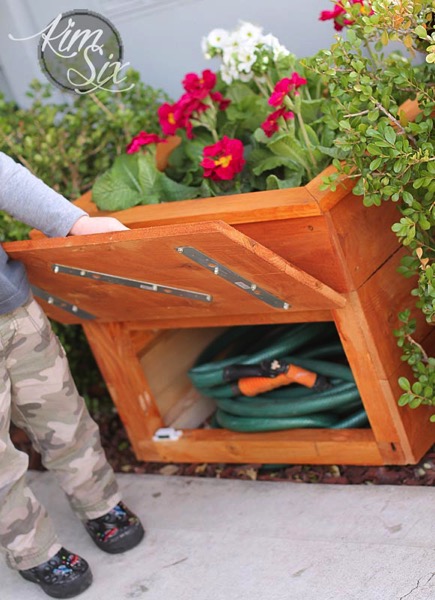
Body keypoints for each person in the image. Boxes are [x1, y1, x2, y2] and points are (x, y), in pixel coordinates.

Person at [0, 151, 145, 598]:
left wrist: (74, 222)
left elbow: (4, 176)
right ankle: (32, 548)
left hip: (12, 312)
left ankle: (99, 502)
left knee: (64, 416)